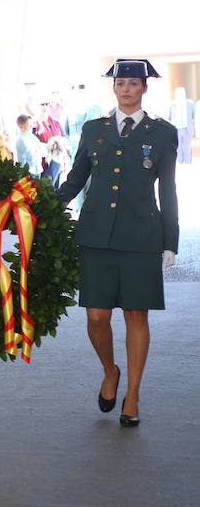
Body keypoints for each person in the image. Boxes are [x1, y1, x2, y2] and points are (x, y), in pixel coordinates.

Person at [57, 59, 179, 428]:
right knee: (96, 317)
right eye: (120, 83)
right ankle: (110, 371)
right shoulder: (93, 129)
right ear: (114, 88)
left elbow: (168, 189)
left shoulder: (162, 132)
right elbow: (76, 178)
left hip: (141, 237)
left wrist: (169, 240)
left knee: (135, 315)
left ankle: (134, 394)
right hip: (96, 235)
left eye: (132, 83)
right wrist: (40, 207)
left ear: (144, 89)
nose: (126, 89)